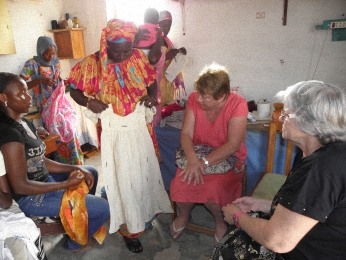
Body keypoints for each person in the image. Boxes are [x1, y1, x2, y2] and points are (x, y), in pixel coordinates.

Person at [67, 18, 173, 253]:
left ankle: (144, 216)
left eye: (128, 50)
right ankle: (129, 229)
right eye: (118, 51)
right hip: (113, 130)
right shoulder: (93, 63)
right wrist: (88, 101)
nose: (124, 55)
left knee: (143, 174)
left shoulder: (137, 57)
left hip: (140, 127)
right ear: (107, 44)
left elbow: (150, 82)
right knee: (122, 178)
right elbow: (72, 88)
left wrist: (150, 97)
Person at [222, 80, 346, 259]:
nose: (280, 119)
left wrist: (237, 216)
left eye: (286, 115)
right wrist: (263, 205)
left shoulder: (322, 166)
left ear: (311, 124)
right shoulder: (326, 152)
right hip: (314, 238)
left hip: (315, 252)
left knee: (233, 246)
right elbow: (311, 205)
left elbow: (278, 241)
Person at [0, 72, 110, 251]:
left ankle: (74, 218)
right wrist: (65, 184)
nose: (29, 97)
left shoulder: (24, 123)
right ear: (3, 97)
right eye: (21, 94)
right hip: (30, 198)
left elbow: (41, 161)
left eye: (26, 92)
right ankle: (75, 242)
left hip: (44, 181)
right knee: (104, 208)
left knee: (90, 171)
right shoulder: (9, 135)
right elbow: (20, 186)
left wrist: (74, 167)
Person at [169, 63, 248, 244]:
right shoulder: (194, 98)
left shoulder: (238, 103)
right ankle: (184, 214)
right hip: (197, 153)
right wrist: (192, 159)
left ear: (221, 96)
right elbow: (186, 134)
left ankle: (220, 222)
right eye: (200, 94)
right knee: (180, 184)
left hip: (228, 157)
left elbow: (233, 144)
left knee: (213, 191)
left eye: (206, 98)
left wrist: (203, 163)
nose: (199, 100)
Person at [20, 36, 84, 166]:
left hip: (59, 103)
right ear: (40, 51)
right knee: (57, 131)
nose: (50, 56)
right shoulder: (31, 64)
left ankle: (75, 161)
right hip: (45, 107)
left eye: (53, 53)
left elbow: (57, 77)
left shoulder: (56, 62)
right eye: (47, 53)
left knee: (70, 127)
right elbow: (19, 84)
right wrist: (40, 80)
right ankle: (62, 163)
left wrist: (61, 81)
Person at [135, 7, 165, 126]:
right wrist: (158, 39)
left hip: (140, 85)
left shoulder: (139, 30)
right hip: (143, 86)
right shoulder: (157, 34)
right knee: (148, 113)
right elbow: (153, 59)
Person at [158, 10, 187, 107]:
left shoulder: (167, 41)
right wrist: (166, 57)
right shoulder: (153, 41)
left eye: (169, 26)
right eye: (164, 25)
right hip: (158, 80)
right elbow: (149, 62)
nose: (167, 29)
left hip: (168, 79)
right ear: (157, 24)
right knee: (157, 107)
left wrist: (179, 52)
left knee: (167, 105)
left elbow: (170, 55)